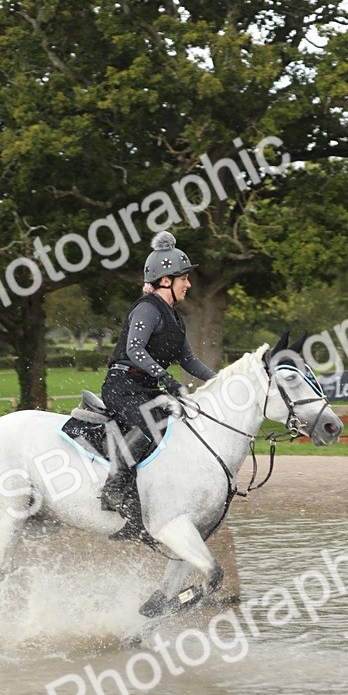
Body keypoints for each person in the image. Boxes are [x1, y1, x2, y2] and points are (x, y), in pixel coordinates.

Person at [100, 230, 216, 539]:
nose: (189, 284)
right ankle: (114, 487)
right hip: (121, 386)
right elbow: (135, 350)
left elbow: (190, 361)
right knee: (154, 421)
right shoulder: (147, 309)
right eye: (184, 279)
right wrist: (166, 378)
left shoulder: (175, 318)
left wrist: (222, 381)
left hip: (147, 389)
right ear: (166, 280)